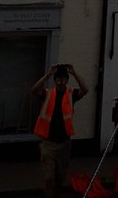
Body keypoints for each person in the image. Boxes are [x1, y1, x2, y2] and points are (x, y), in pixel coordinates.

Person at [32, 63, 89, 198]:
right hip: (48, 143)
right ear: (54, 80)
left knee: (60, 178)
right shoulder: (47, 94)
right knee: (49, 177)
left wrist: (74, 72)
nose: (60, 81)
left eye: (63, 78)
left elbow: (85, 90)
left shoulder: (71, 94)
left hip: (64, 143)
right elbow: (34, 90)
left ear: (67, 80)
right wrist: (48, 75)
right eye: (58, 78)